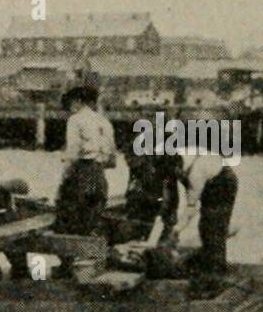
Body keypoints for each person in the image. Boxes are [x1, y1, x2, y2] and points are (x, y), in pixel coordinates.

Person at [55, 85, 115, 238]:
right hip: (100, 176)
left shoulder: (75, 120)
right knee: (91, 220)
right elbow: (112, 160)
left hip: (82, 174)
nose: (69, 109)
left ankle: (71, 256)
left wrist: (63, 178)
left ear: (77, 101)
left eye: (69, 104)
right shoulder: (104, 121)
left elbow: (73, 153)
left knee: (68, 218)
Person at [173, 148, 237, 282]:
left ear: (179, 169)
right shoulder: (183, 159)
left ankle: (216, 274)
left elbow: (191, 207)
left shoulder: (195, 173)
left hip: (223, 182)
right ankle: (213, 264)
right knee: (206, 226)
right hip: (213, 176)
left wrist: (176, 229)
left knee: (212, 227)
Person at [121, 147, 180, 244]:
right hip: (148, 198)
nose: (127, 161)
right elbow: (132, 185)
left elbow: (168, 193)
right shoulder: (136, 167)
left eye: (130, 158)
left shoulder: (161, 164)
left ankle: (165, 240)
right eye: (126, 158)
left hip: (160, 194)